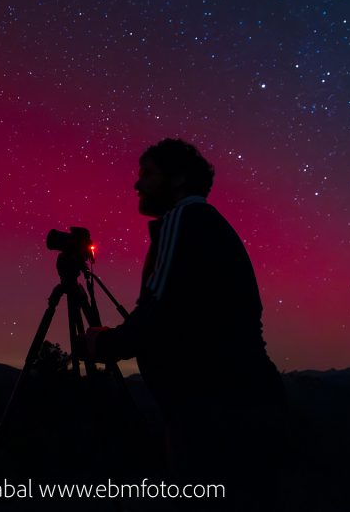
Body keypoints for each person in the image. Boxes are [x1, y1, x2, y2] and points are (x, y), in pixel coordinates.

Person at [82, 138, 287, 510]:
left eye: (148, 173)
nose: (137, 184)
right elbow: (181, 315)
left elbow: (155, 312)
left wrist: (104, 344)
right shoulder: (209, 226)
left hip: (213, 411)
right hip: (238, 402)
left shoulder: (183, 220)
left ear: (177, 180)